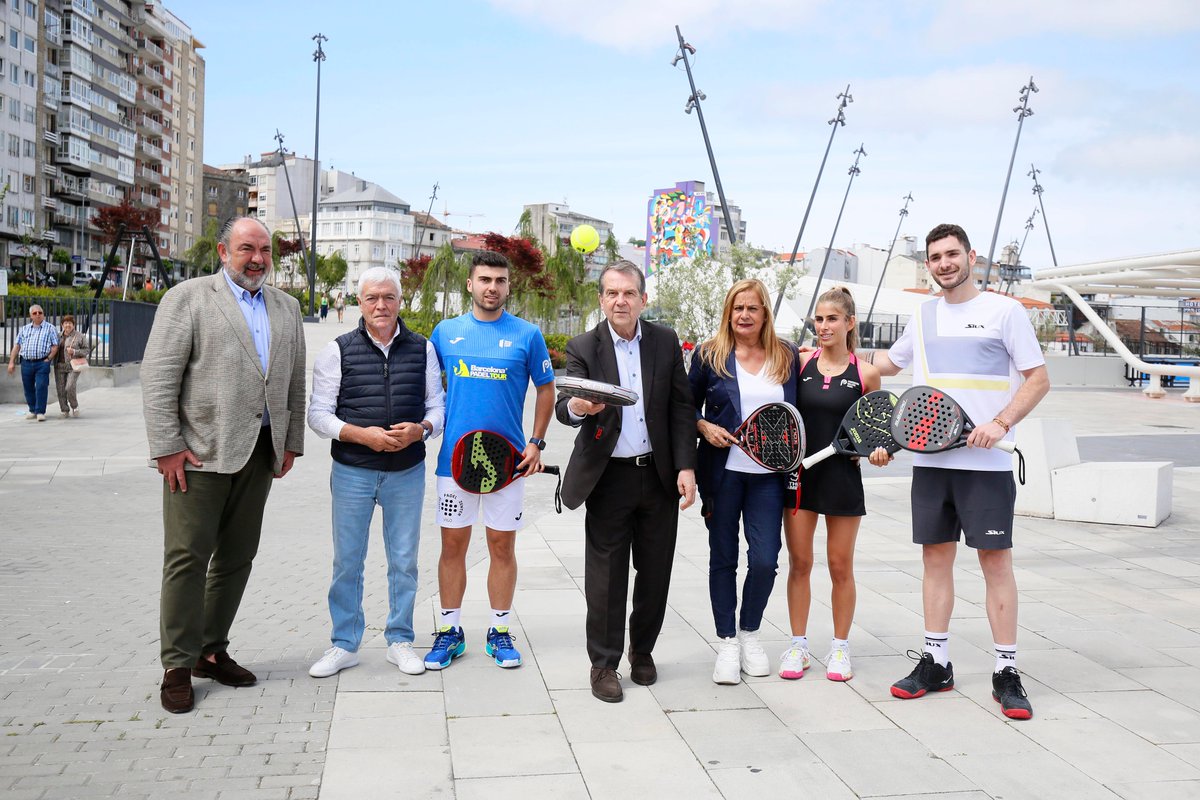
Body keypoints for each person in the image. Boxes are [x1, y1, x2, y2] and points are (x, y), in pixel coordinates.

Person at [866, 223, 1049, 720]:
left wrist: (1000, 421)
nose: (944, 263)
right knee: (935, 561)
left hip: (985, 465)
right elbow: (884, 364)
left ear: (971, 256)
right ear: (928, 264)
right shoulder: (922, 316)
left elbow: (1038, 379)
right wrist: (822, 357)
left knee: (995, 565)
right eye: (935, 257)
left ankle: (1006, 671)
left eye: (952, 254)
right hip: (931, 463)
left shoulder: (1005, 311)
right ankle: (937, 663)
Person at [142, 216, 307, 714]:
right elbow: (159, 376)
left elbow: (294, 381)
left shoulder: (287, 306)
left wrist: (290, 442)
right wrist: (167, 445)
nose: (257, 258)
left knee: (237, 557)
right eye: (246, 249)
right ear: (223, 251)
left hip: (259, 453)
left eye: (264, 250)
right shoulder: (188, 298)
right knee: (187, 559)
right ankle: (176, 664)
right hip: (197, 455)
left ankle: (210, 651)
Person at [555, 260, 697, 703]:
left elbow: (680, 407)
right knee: (607, 577)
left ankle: (643, 651)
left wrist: (686, 467)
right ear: (601, 299)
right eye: (612, 293)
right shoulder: (584, 346)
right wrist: (580, 406)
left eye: (628, 293)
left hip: (657, 476)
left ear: (642, 299)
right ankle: (603, 664)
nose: (620, 300)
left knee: (655, 573)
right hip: (608, 478)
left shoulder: (664, 341)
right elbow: (564, 408)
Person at [306, 267, 445, 679]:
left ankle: (400, 639)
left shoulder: (423, 349)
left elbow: (438, 405)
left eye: (388, 297)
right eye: (372, 298)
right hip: (353, 470)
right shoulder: (338, 350)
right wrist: (358, 435)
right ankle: (344, 644)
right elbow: (317, 414)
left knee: (404, 560)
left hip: (407, 470)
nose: (381, 305)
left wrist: (421, 429)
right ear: (359, 303)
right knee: (348, 561)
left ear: (400, 301)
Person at [426, 250, 555, 671]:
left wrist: (536, 442)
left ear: (508, 286)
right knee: (452, 547)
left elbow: (547, 390)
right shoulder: (445, 333)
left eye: (500, 280)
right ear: (470, 284)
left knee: (502, 547)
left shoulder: (527, 335)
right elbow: (428, 391)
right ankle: (450, 631)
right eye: (484, 279)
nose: (492, 287)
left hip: (508, 467)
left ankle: (499, 631)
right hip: (454, 465)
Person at [689, 279, 797, 686]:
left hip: (769, 477)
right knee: (723, 558)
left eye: (752, 308)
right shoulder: (709, 355)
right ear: (728, 313)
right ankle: (727, 641)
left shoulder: (785, 355)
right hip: (722, 473)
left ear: (765, 313)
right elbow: (685, 406)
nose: (745, 316)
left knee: (766, 560)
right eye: (738, 309)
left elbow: (798, 414)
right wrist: (703, 426)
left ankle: (750, 631)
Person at [779, 286, 882, 682]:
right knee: (799, 563)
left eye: (832, 319)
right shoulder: (800, 364)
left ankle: (840, 649)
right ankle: (799, 646)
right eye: (819, 319)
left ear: (849, 323)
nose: (823, 326)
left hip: (842, 478)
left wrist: (876, 453)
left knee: (840, 565)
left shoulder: (866, 373)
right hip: (801, 477)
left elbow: (878, 433)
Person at [7, 304, 59, 421]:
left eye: (40, 312)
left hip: (42, 362)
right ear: (31, 316)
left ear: (43, 314)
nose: (38, 315)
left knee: (41, 386)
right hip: (26, 362)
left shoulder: (50, 328)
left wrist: (48, 358)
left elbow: (55, 346)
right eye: (35, 313)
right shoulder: (25, 329)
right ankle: (32, 410)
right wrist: (11, 362)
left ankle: (40, 411)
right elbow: (17, 346)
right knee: (28, 387)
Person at [53, 314, 91, 418]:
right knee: (60, 389)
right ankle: (64, 410)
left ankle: (74, 406)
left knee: (69, 386)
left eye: (70, 323)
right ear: (62, 325)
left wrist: (74, 351)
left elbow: (87, 350)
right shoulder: (58, 336)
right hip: (59, 366)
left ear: (73, 325)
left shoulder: (79, 336)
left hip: (73, 366)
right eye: (65, 323)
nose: (67, 325)